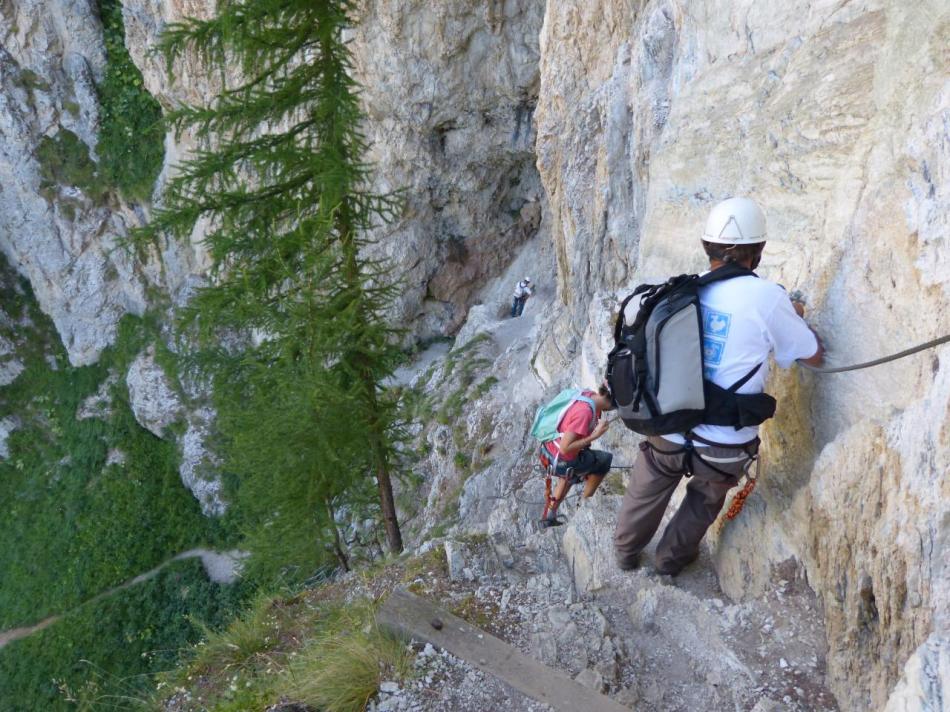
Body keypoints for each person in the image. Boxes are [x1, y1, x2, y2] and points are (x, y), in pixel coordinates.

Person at [613, 197, 824, 574]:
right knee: (704, 501)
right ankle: (668, 562)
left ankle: (626, 553)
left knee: (648, 486)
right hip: (724, 446)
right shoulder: (768, 297)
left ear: (705, 246)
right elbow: (812, 354)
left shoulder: (685, 293)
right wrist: (794, 316)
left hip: (670, 427)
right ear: (757, 253)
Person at [541, 384, 616, 528]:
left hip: (548, 449)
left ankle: (549, 516)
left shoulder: (587, 394)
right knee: (604, 460)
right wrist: (595, 435)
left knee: (571, 473)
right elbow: (565, 448)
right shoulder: (585, 413)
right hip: (561, 457)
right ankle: (586, 504)